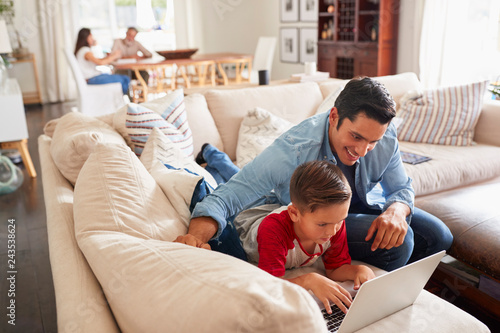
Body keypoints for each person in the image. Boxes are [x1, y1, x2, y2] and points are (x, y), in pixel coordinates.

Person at [175, 77, 453, 271]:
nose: (363, 149)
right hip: (326, 213)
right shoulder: (293, 150)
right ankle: (213, 156)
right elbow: (230, 196)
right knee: (401, 245)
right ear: (333, 117)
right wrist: (196, 238)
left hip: (361, 208)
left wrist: (397, 210)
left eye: (372, 141)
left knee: (440, 236)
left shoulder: (385, 135)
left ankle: (215, 157)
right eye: (355, 136)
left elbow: (401, 188)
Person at [239, 161, 375, 314]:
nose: (332, 231)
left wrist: (358, 270)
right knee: (233, 180)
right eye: (322, 224)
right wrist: (308, 280)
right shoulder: (273, 230)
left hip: (277, 208)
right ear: (294, 214)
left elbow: (335, 268)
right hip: (248, 218)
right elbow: (271, 285)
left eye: (340, 220)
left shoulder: (334, 223)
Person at [74, 28, 130, 95]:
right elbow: (100, 63)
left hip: (93, 77)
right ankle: (121, 100)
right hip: (92, 79)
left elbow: (98, 60)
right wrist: (114, 56)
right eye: (91, 36)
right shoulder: (85, 51)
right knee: (125, 79)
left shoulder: (83, 50)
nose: (93, 38)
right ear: (86, 37)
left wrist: (109, 57)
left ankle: (119, 100)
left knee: (122, 78)